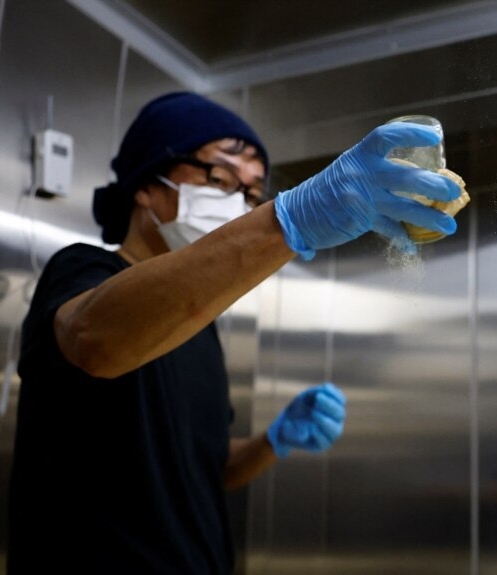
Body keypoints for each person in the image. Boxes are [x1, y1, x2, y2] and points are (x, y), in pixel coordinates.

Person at [6, 92, 466, 573]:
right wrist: (292, 220)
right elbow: (95, 341)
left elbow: (208, 470)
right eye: (220, 178)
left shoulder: (199, 328)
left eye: (251, 195)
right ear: (146, 184)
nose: (238, 204)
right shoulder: (82, 270)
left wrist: (271, 443)